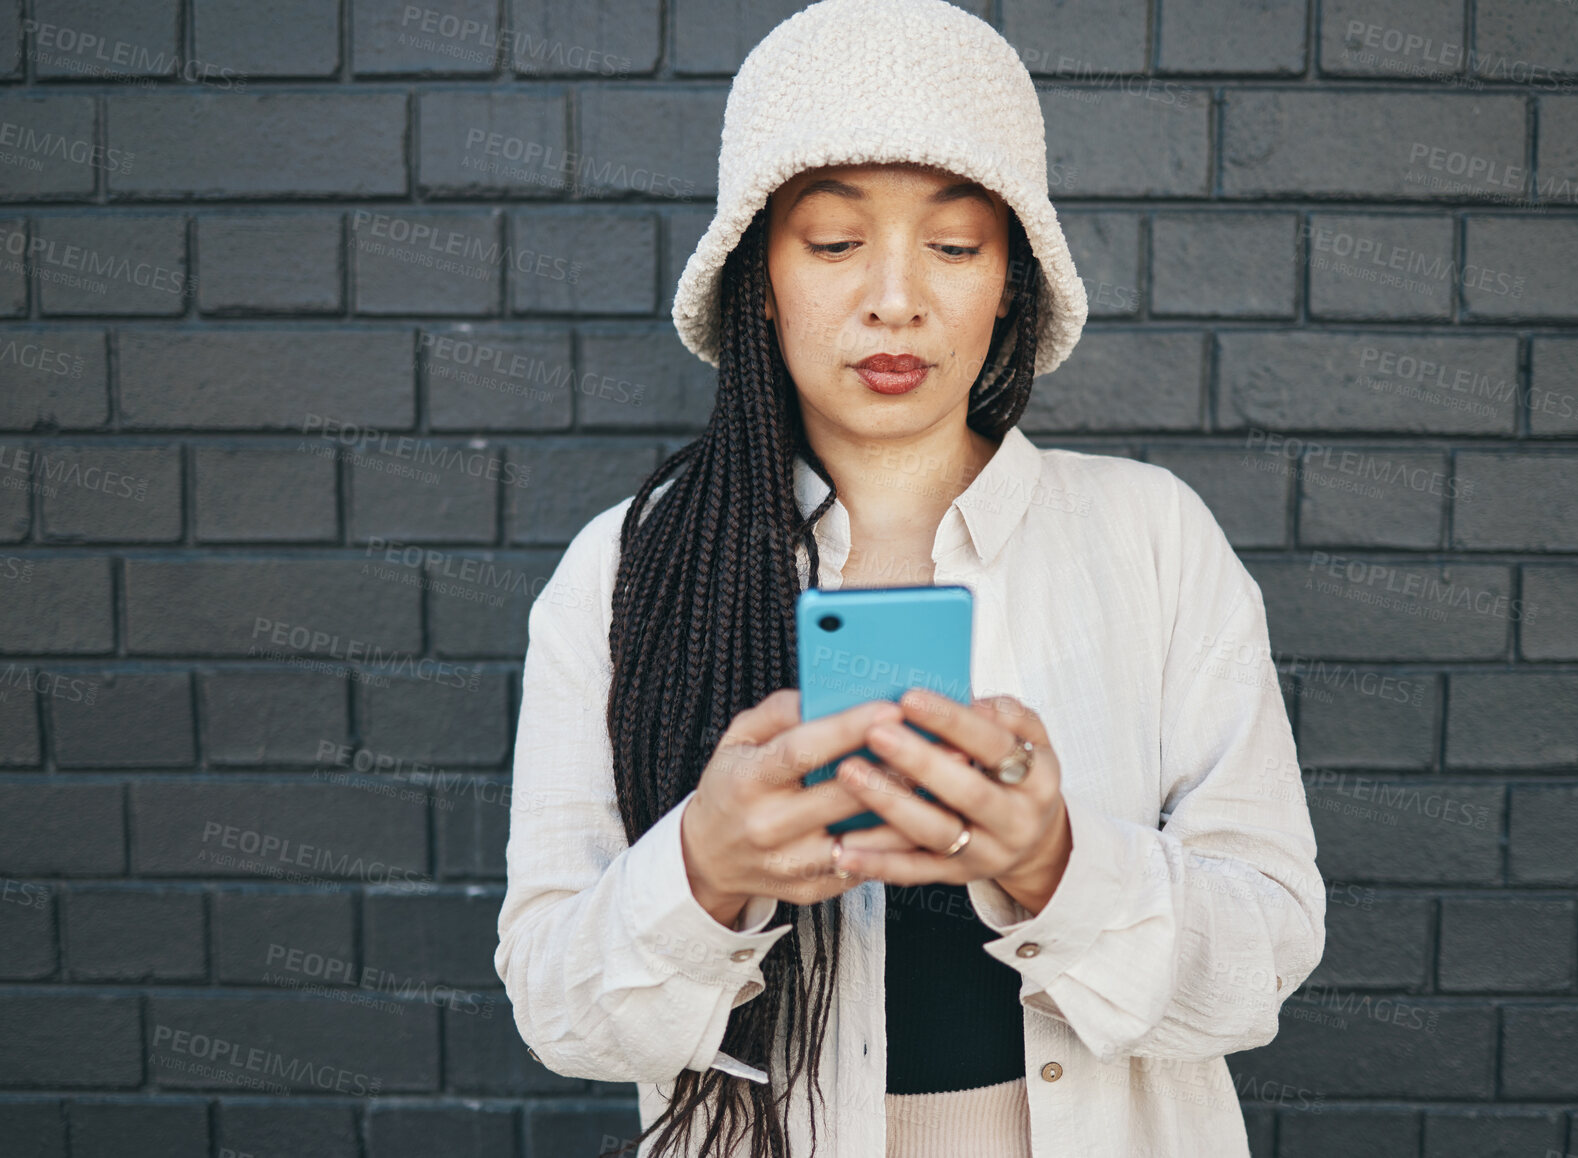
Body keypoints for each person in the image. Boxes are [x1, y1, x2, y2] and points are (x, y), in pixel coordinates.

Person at [494, 1, 1325, 1155]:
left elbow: (1265, 959)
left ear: (1010, 283)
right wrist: (702, 872)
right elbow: (555, 1008)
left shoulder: (1153, 539)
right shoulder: (629, 572)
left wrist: (1056, 863)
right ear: (762, 278)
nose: (897, 297)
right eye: (835, 243)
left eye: (954, 244)